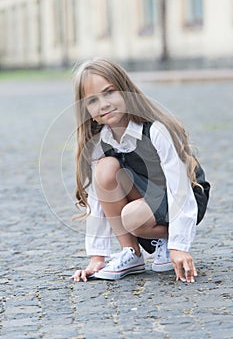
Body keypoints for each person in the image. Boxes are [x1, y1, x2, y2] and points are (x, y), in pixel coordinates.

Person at [71, 57, 210, 283]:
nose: (103, 104)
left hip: (185, 194)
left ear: (126, 91)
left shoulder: (156, 130)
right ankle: (132, 253)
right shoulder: (99, 143)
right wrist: (97, 258)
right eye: (92, 100)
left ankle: (165, 241)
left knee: (132, 216)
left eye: (109, 92)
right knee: (106, 170)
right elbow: (97, 199)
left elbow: (180, 188)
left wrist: (178, 246)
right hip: (146, 198)